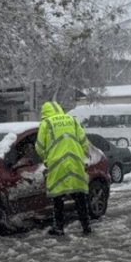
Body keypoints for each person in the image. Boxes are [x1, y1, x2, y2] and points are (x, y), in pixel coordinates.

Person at [35, 101, 91, 236]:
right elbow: (83, 141)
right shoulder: (71, 120)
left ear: (45, 113)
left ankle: (59, 227)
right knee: (79, 197)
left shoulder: (46, 124)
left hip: (57, 164)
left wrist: (46, 159)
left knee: (58, 198)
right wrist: (84, 156)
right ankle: (86, 226)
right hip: (75, 162)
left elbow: (39, 147)